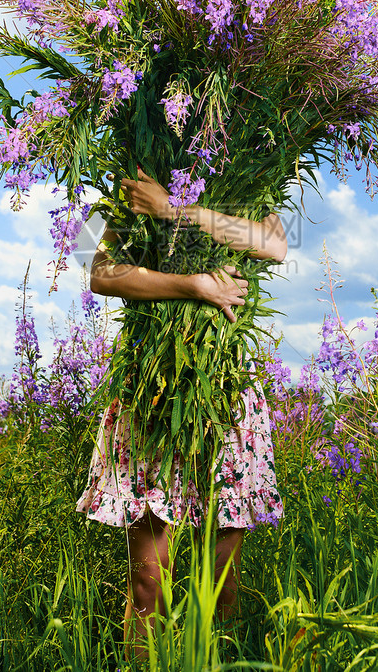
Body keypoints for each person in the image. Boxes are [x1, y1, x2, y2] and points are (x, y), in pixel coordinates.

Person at [75, 168, 287, 658]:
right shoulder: (114, 192)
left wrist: (173, 210)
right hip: (152, 389)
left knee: (222, 584)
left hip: (227, 390)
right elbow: (99, 276)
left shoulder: (252, 180)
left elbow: (274, 246)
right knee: (149, 584)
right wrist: (194, 286)